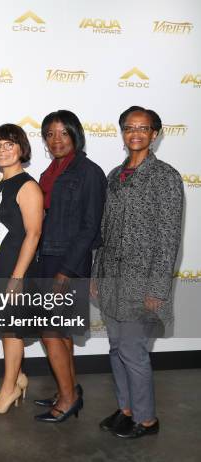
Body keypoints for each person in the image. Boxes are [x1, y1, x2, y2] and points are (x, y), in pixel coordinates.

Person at [92, 106, 183, 438]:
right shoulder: (115, 175)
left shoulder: (166, 177)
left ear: (154, 134)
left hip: (142, 283)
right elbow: (103, 230)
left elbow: (169, 239)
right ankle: (126, 409)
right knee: (116, 349)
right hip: (112, 281)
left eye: (143, 128)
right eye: (129, 127)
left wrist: (157, 291)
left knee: (134, 351)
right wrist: (96, 274)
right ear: (122, 132)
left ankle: (146, 420)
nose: (135, 133)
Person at [34, 110, 107, 423]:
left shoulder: (89, 172)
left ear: (75, 135)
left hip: (67, 263)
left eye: (63, 133)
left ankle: (67, 400)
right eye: (50, 134)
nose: (56, 140)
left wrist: (67, 269)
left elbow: (91, 226)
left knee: (50, 331)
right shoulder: (50, 172)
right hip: (45, 258)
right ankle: (70, 390)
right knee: (59, 333)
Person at [0, 124, 43, 414]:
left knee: (12, 331)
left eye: (9, 144)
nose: (1, 150)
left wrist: (17, 277)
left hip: (16, 273)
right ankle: (17, 378)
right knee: (7, 330)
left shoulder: (28, 186)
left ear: (21, 150)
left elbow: (33, 234)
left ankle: (8, 392)